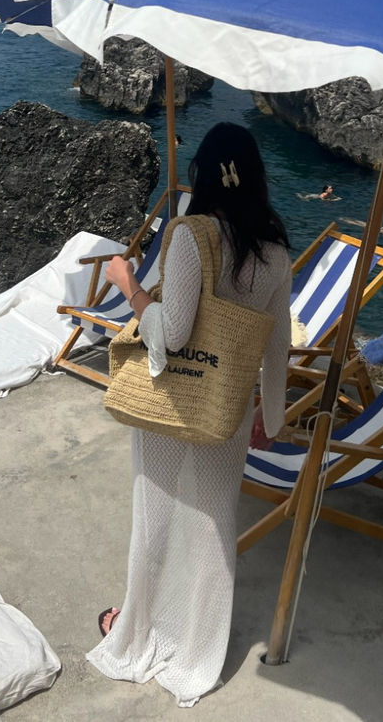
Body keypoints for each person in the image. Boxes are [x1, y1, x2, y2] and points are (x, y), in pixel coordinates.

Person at [87, 122, 292, 707]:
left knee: (155, 512)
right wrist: (270, 419)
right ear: (255, 178)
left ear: (203, 176)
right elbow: (277, 345)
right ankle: (199, 643)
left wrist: (129, 286)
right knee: (212, 520)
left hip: (173, 399)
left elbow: (172, 334)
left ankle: (139, 626)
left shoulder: (190, 236)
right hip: (228, 406)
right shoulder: (275, 250)